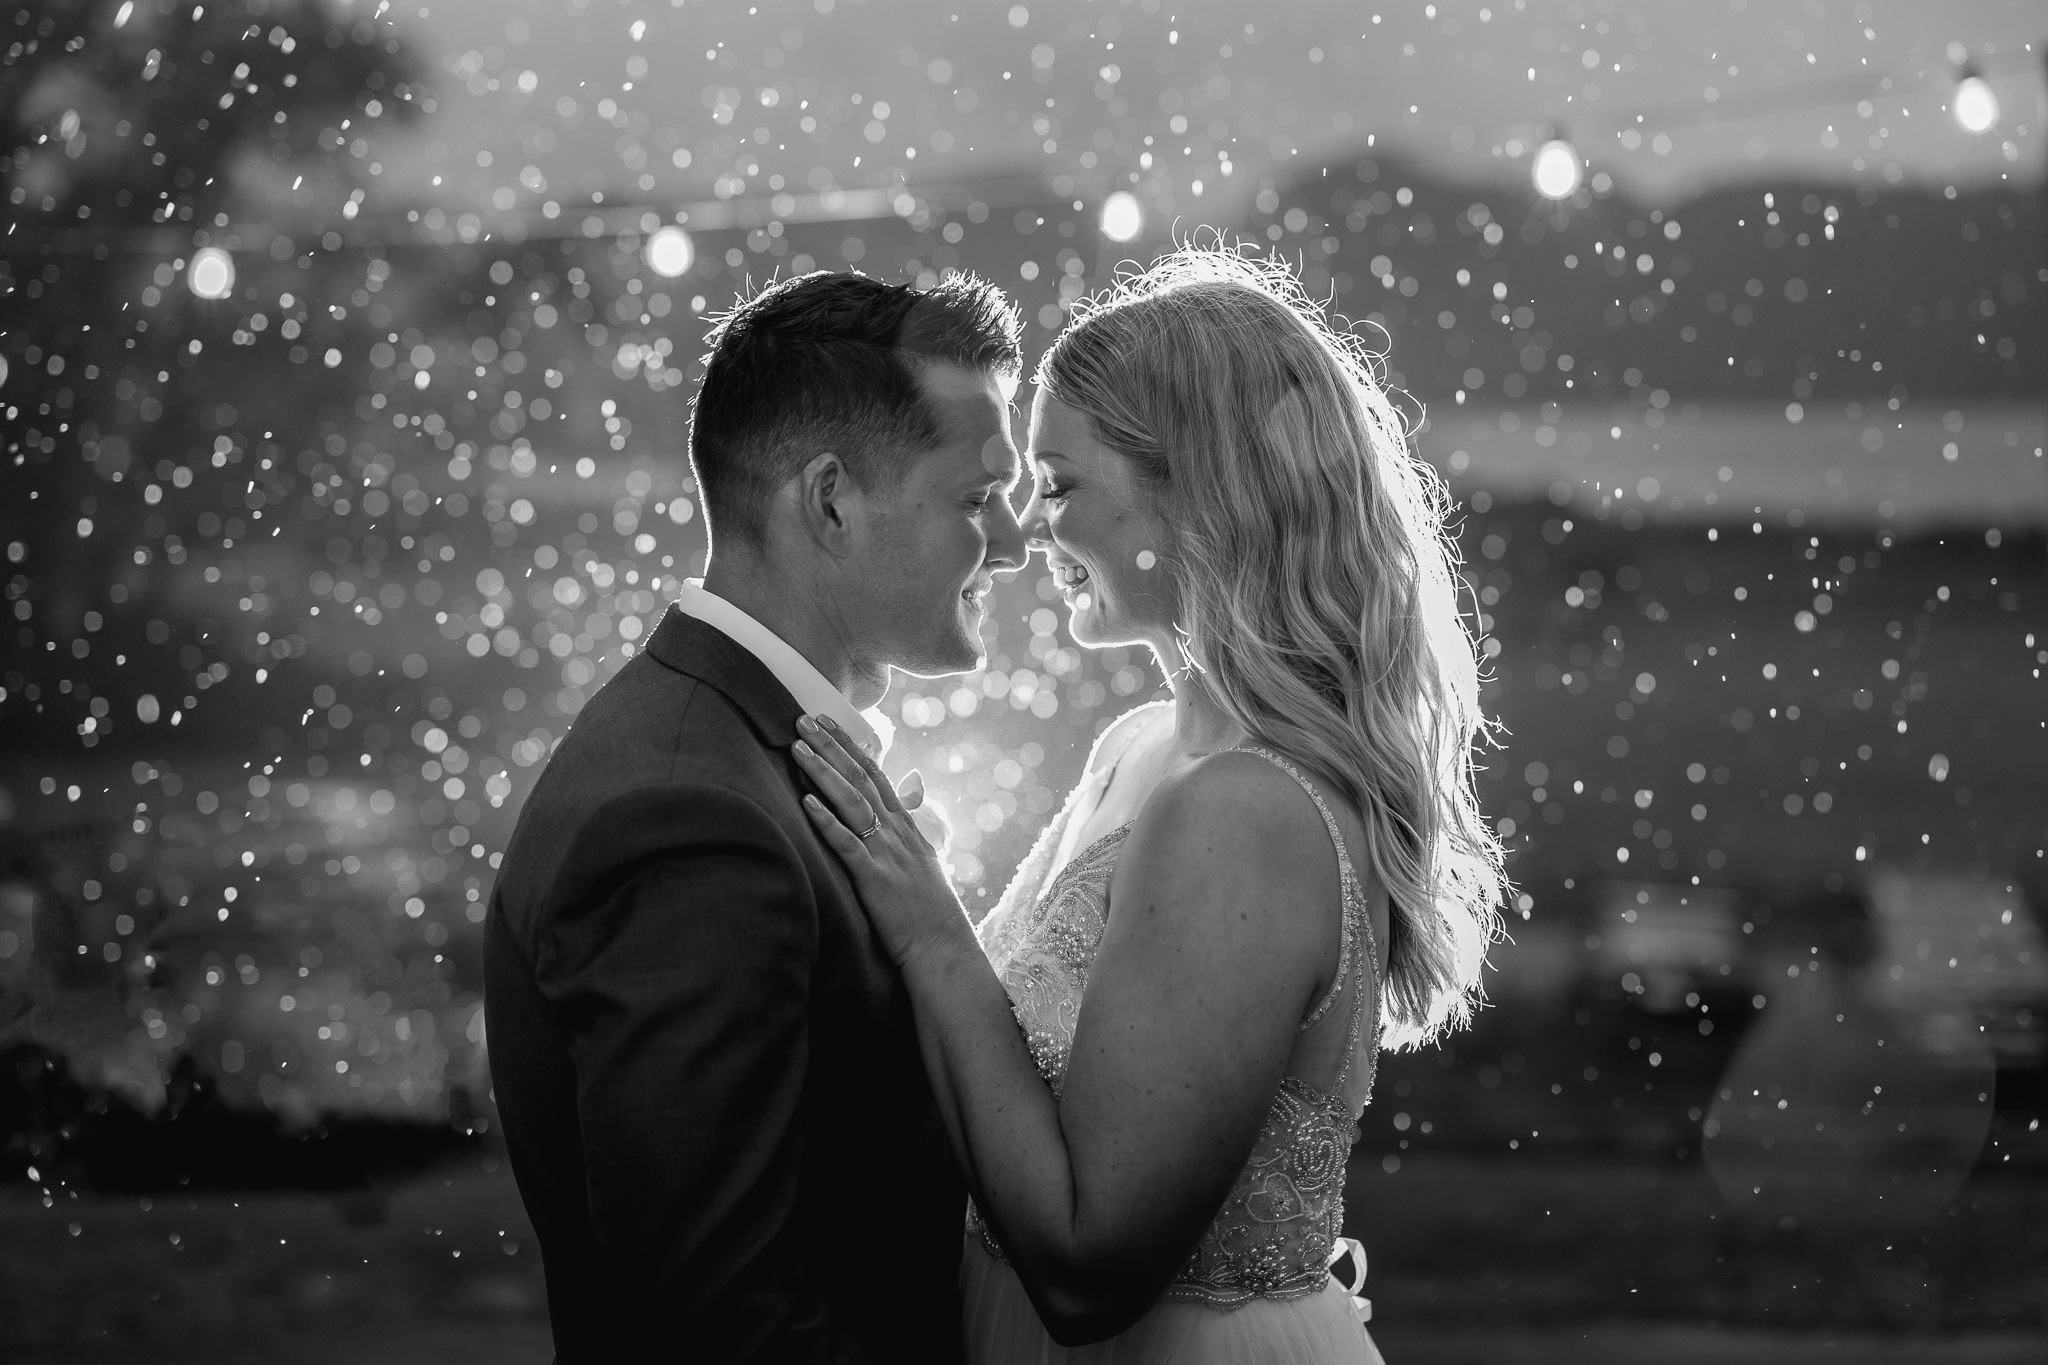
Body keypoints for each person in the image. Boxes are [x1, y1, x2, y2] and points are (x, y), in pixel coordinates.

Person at [792, 248, 1507, 1363]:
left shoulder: (1247, 813)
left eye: (1061, 483)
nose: (1024, 531)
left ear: (1192, 492)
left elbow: (1087, 1270)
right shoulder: (1138, 750)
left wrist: (930, 930)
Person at [484, 270, 1028, 1361]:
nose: (1011, 544)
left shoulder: (739, 754)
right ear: (828, 501)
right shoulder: (686, 818)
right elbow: (720, 1325)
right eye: (974, 500)